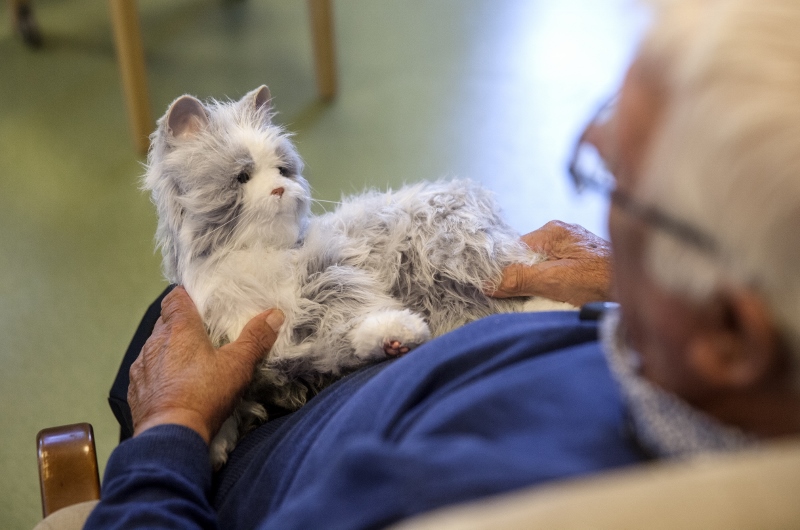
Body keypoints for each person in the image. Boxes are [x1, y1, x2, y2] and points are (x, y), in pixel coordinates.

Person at [81, 0, 800, 528]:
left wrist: (169, 428)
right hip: (428, 346)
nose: (600, 223)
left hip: (267, 431)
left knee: (157, 338)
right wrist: (626, 289)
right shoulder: (707, 373)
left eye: (620, 187)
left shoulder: (451, 494)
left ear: (732, 335)